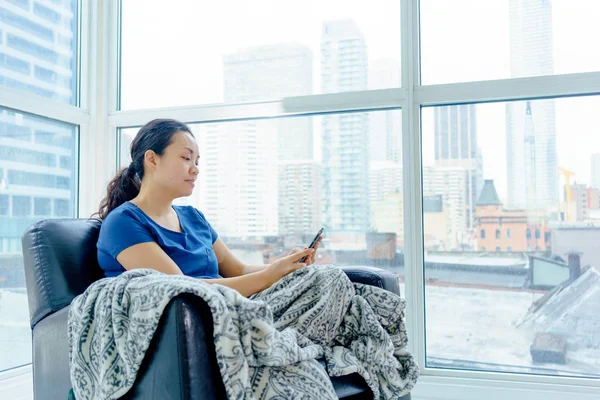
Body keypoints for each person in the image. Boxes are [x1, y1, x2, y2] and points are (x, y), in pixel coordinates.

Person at [95, 119, 321, 297]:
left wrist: (283, 267)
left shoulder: (194, 217)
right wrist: (269, 277)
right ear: (152, 160)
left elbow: (239, 271)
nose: (195, 170)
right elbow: (181, 290)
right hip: (198, 318)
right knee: (328, 285)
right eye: (186, 158)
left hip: (233, 305)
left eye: (197, 162)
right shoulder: (123, 223)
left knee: (325, 278)